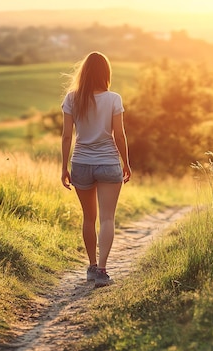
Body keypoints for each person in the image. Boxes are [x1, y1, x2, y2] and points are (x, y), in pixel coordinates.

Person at [60, 51, 131, 288]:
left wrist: (63, 167)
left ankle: (91, 267)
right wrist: (126, 163)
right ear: (106, 74)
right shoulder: (114, 98)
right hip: (109, 162)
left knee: (88, 218)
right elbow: (119, 135)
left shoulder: (72, 98)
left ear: (84, 73)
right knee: (107, 218)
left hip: (81, 163)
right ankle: (102, 270)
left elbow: (66, 136)